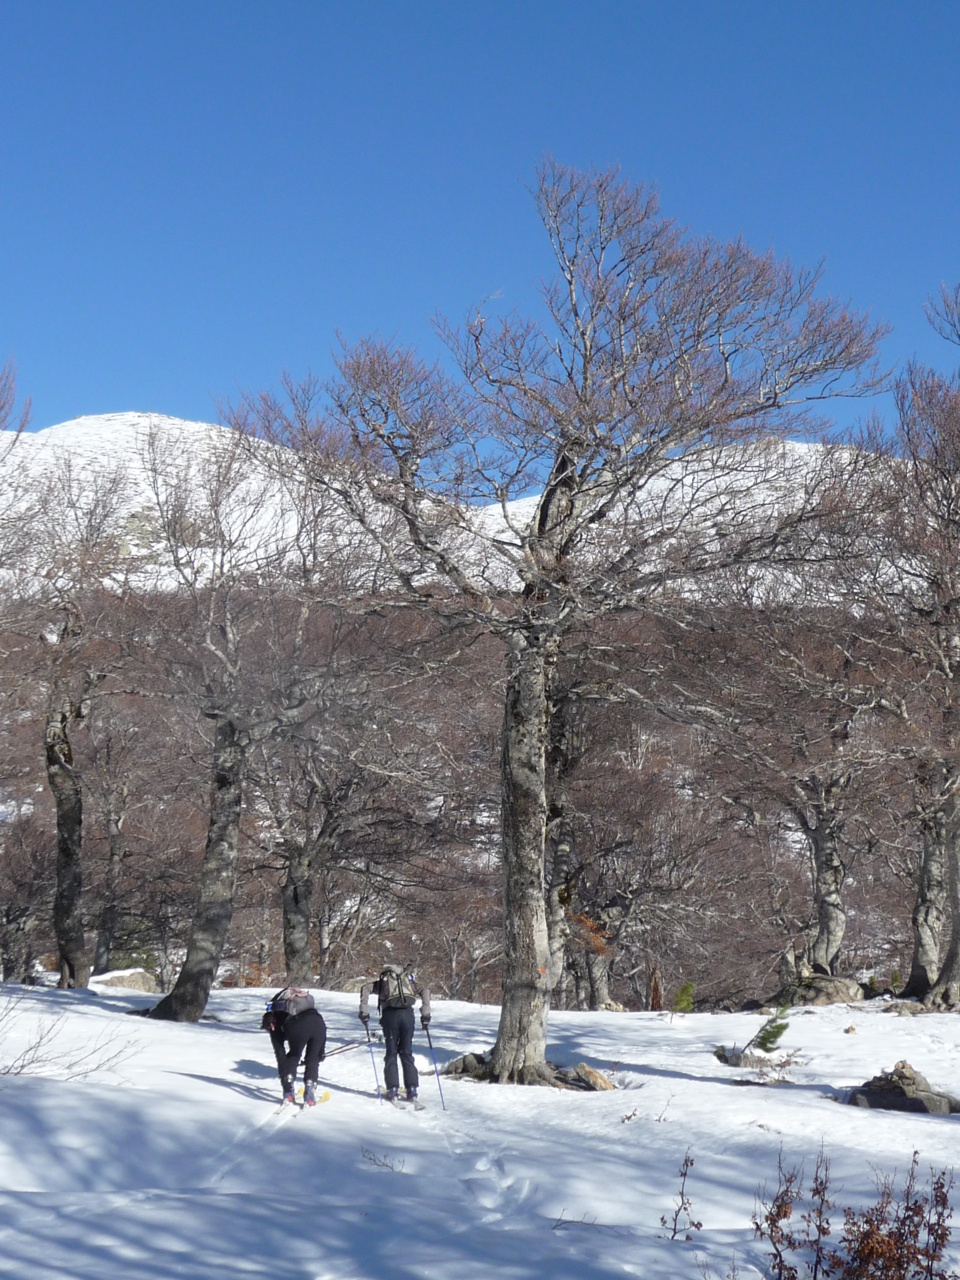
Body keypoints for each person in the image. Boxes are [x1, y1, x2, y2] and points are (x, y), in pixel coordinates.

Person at [358, 964, 431, 1102]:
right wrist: (426, 1013)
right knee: (406, 1052)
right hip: (408, 1016)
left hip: (390, 1016)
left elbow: (365, 988)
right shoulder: (408, 982)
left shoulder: (383, 982)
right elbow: (425, 990)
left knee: (391, 1052)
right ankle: (412, 1089)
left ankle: (392, 1089)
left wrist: (364, 1010)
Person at [261, 986, 327, 1105]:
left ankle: (289, 1090)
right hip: (319, 1024)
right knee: (312, 1059)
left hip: (299, 1026)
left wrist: (286, 1085)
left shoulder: (274, 1027)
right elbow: (321, 1040)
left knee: (294, 1055)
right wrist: (321, 1053)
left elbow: (281, 1057)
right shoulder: (288, 1013)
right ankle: (310, 1093)